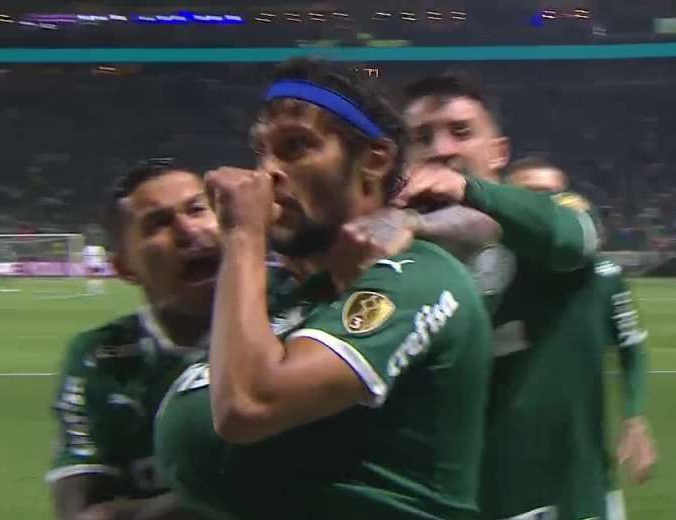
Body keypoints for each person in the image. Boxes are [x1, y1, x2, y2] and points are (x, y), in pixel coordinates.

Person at [153, 58, 495, 519]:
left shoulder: (417, 275)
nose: (267, 173)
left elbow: (249, 404)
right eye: (261, 151)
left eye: (295, 147)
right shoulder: (295, 296)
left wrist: (243, 234)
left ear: (374, 160)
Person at [398, 75, 656, 519]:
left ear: (498, 151)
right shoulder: (398, 256)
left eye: (461, 131)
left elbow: (571, 236)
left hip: (559, 504)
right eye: (423, 138)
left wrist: (467, 192)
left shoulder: (550, 220)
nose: (441, 149)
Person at [47, 160, 215, 520]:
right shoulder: (100, 356)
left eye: (198, 209)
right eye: (158, 223)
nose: (188, 230)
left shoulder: (296, 313)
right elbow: (83, 514)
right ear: (125, 268)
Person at [505, 156, 656, 520]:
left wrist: (635, 416)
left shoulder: (603, 275)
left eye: (552, 193)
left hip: (587, 476)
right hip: (506, 475)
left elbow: (632, 347)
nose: (544, 204)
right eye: (529, 193)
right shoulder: (489, 276)